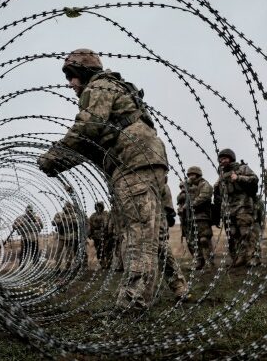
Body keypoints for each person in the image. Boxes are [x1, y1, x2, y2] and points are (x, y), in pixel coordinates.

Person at [37, 49, 169, 310]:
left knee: (139, 233)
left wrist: (53, 157)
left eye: (73, 76)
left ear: (85, 72)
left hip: (133, 162)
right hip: (138, 159)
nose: (70, 83)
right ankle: (163, 289)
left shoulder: (98, 86)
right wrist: (61, 163)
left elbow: (88, 127)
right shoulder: (111, 89)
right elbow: (93, 144)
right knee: (145, 230)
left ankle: (133, 302)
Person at [212, 148, 261, 268]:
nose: (223, 161)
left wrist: (239, 178)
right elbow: (219, 196)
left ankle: (253, 257)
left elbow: (254, 179)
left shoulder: (242, 168)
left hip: (243, 205)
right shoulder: (222, 176)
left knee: (246, 232)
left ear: (231, 158)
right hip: (228, 208)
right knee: (233, 234)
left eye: (225, 158)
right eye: (221, 159)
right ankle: (240, 257)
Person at [183, 166, 214, 270]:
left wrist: (191, 205)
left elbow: (204, 197)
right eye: (189, 175)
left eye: (193, 174)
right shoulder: (188, 187)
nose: (191, 177)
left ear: (198, 175)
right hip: (191, 218)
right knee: (193, 241)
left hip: (202, 217)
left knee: (204, 239)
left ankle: (209, 262)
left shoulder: (204, 185)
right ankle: (199, 262)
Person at [52, 202, 83, 271]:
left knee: (69, 252)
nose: (68, 209)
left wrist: (71, 219)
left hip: (71, 237)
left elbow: (79, 222)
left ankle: (67, 267)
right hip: (61, 236)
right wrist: (61, 220)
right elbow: (53, 222)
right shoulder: (59, 214)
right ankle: (57, 267)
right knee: (59, 251)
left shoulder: (75, 216)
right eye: (67, 207)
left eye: (70, 207)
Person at [88, 202, 112, 269]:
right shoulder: (93, 216)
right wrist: (90, 233)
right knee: (98, 250)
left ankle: (108, 263)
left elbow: (108, 223)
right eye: (97, 207)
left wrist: (109, 232)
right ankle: (102, 263)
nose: (99, 208)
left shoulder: (106, 214)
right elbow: (90, 224)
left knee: (106, 249)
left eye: (100, 206)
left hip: (105, 234)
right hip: (96, 234)